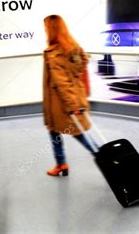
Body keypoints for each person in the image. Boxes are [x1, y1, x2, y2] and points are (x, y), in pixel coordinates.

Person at [42, 14, 96, 177]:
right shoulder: (73, 48)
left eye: (46, 27)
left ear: (51, 30)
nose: (44, 30)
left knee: (75, 132)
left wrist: (73, 107)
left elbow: (62, 84)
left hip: (61, 103)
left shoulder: (53, 54)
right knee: (55, 131)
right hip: (76, 97)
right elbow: (83, 61)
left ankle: (100, 154)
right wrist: (75, 78)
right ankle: (61, 164)